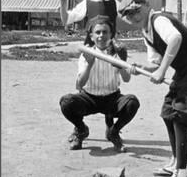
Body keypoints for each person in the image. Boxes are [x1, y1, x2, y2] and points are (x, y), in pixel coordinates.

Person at [118, 0, 187, 177]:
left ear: (143, 7)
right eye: (128, 15)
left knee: (179, 117)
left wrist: (161, 71)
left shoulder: (158, 20)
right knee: (168, 113)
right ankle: (175, 161)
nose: (132, 18)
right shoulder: (145, 31)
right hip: (184, 70)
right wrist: (137, 67)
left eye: (134, 12)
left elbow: (175, 39)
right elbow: (157, 62)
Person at [59, 15, 140, 152]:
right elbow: (79, 85)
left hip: (112, 98)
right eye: (98, 32)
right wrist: (89, 65)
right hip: (89, 97)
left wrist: (121, 66)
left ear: (110, 35)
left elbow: (126, 79)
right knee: (66, 102)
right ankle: (81, 130)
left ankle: (114, 132)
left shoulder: (117, 54)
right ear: (91, 36)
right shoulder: (87, 54)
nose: (101, 35)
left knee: (132, 102)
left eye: (105, 32)